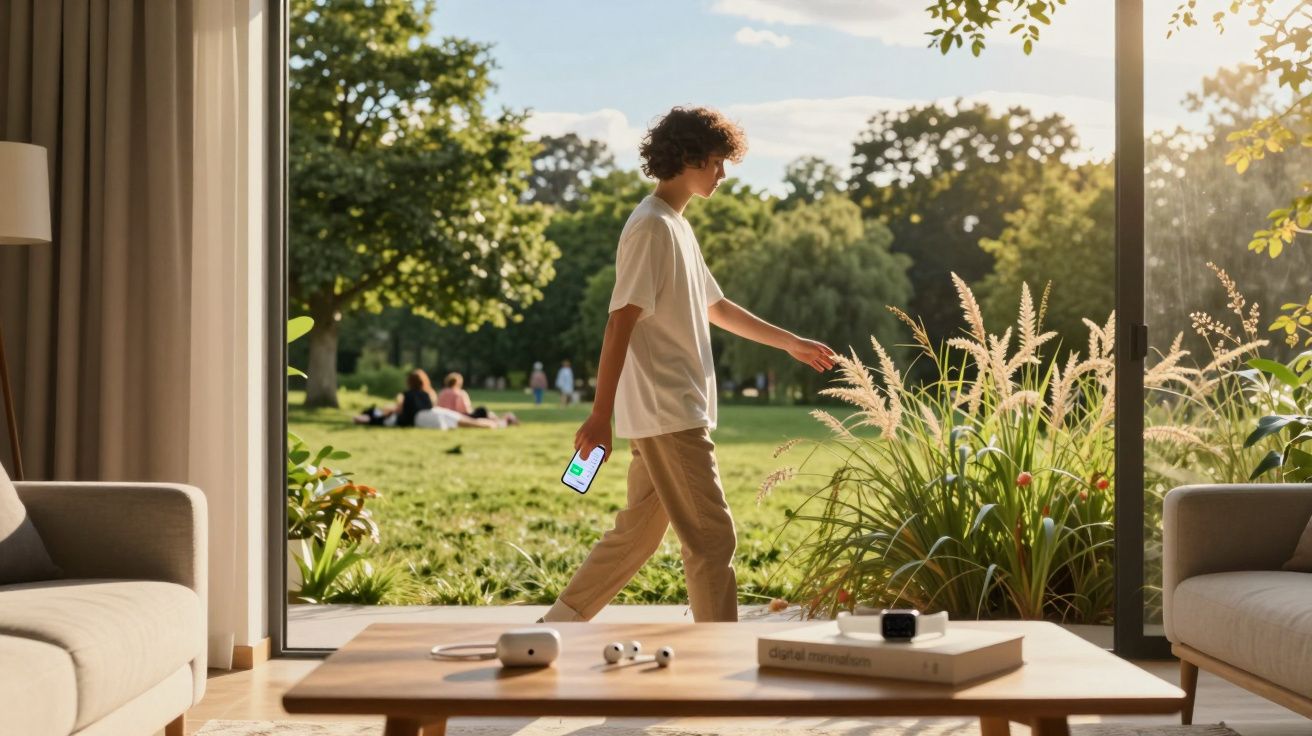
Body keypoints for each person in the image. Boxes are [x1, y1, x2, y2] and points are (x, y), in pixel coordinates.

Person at [539, 106, 836, 624]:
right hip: (669, 409)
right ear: (686, 158)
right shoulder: (651, 228)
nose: (721, 175)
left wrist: (790, 343)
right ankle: (718, 658)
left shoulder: (675, 226)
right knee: (712, 539)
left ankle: (556, 626)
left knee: (637, 536)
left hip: (668, 409)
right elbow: (620, 322)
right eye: (716, 163)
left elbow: (715, 307)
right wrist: (600, 414)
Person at [438, 372, 519, 426]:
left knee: (487, 414)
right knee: (482, 411)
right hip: (461, 416)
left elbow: (438, 407)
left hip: (445, 416)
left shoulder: (442, 393)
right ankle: (505, 420)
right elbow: (466, 409)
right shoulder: (460, 393)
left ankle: (505, 418)